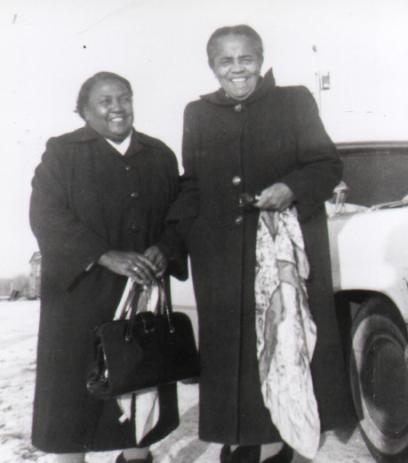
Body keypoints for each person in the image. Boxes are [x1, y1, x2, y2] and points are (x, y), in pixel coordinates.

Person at [167, 25, 353, 462]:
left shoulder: (294, 101)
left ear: (260, 58)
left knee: (281, 346)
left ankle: (275, 449)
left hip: (282, 252)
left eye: (245, 58)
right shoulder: (197, 113)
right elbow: (192, 183)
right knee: (232, 358)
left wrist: (292, 186)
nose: (237, 69)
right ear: (212, 66)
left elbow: (326, 164)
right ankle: (238, 445)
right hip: (219, 258)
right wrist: (175, 240)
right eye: (225, 61)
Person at [30, 71, 185, 463]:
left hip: (142, 292)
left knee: (140, 382)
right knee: (74, 393)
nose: (117, 108)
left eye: (124, 98)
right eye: (105, 101)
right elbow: (46, 216)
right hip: (78, 296)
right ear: (84, 110)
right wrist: (103, 254)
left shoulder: (159, 154)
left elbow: (181, 215)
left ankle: (136, 457)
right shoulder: (62, 154)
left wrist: (165, 248)